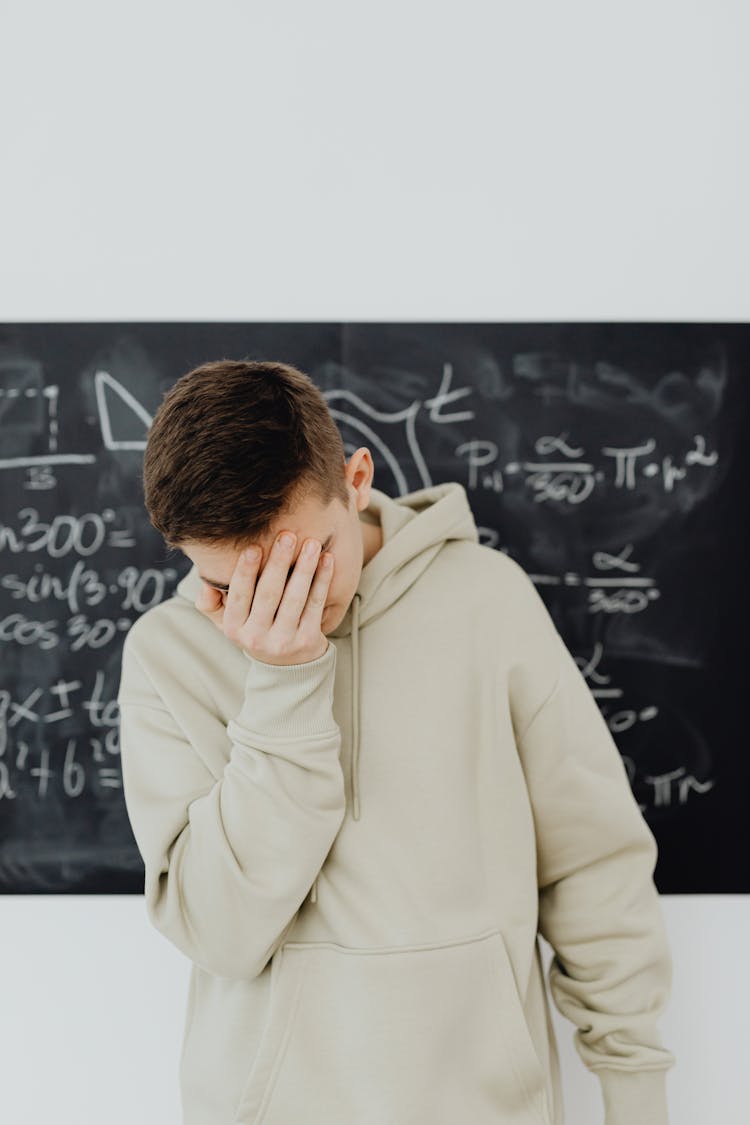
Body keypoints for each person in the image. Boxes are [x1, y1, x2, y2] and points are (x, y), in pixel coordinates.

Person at [117, 359, 676, 1125]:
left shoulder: (487, 598)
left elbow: (592, 863)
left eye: (303, 564)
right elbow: (220, 932)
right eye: (227, 586)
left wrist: (634, 1089)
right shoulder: (167, 654)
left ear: (356, 479)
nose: (276, 606)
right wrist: (285, 682)